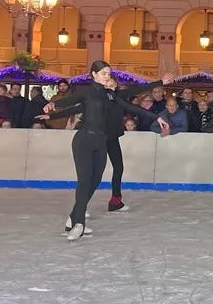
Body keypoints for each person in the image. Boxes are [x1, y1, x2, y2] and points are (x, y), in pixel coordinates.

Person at [40, 61, 169, 240]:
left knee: (95, 180)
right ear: (94, 74)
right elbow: (71, 102)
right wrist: (52, 106)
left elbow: (133, 107)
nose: (107, 77)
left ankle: (73, 217)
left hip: (101, 141)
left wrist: (157, 117)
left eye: (109, 74)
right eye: (104, 74)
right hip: (84, 140)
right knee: (85, 180)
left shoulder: (110, 95)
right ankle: (79, 224)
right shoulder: (86, 92)